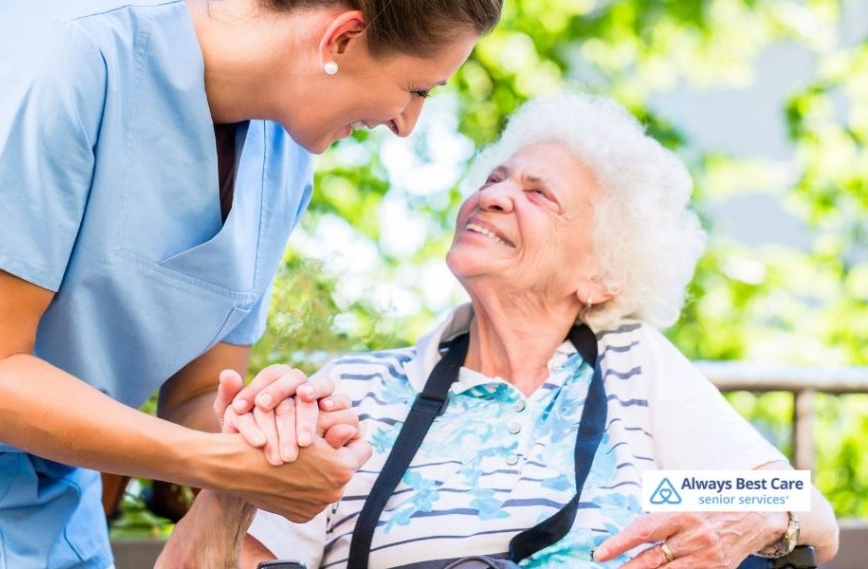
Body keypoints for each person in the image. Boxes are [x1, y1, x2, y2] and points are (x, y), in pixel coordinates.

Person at [0, 0, 504, 566]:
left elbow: (193, 397)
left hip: (50, 526)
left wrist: (270, 430)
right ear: (342, 37)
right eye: (418, 89)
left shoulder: (282, 159)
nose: (407, 123)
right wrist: (214, 463)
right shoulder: (57, 49)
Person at [174, 92, 840, 567]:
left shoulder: (632, 374)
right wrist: (234, 477)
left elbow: (800, 503)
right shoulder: (355, 392)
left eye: (538, 193)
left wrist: (751, 517)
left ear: (601, 274)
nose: (493, 195)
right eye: (495, 179)